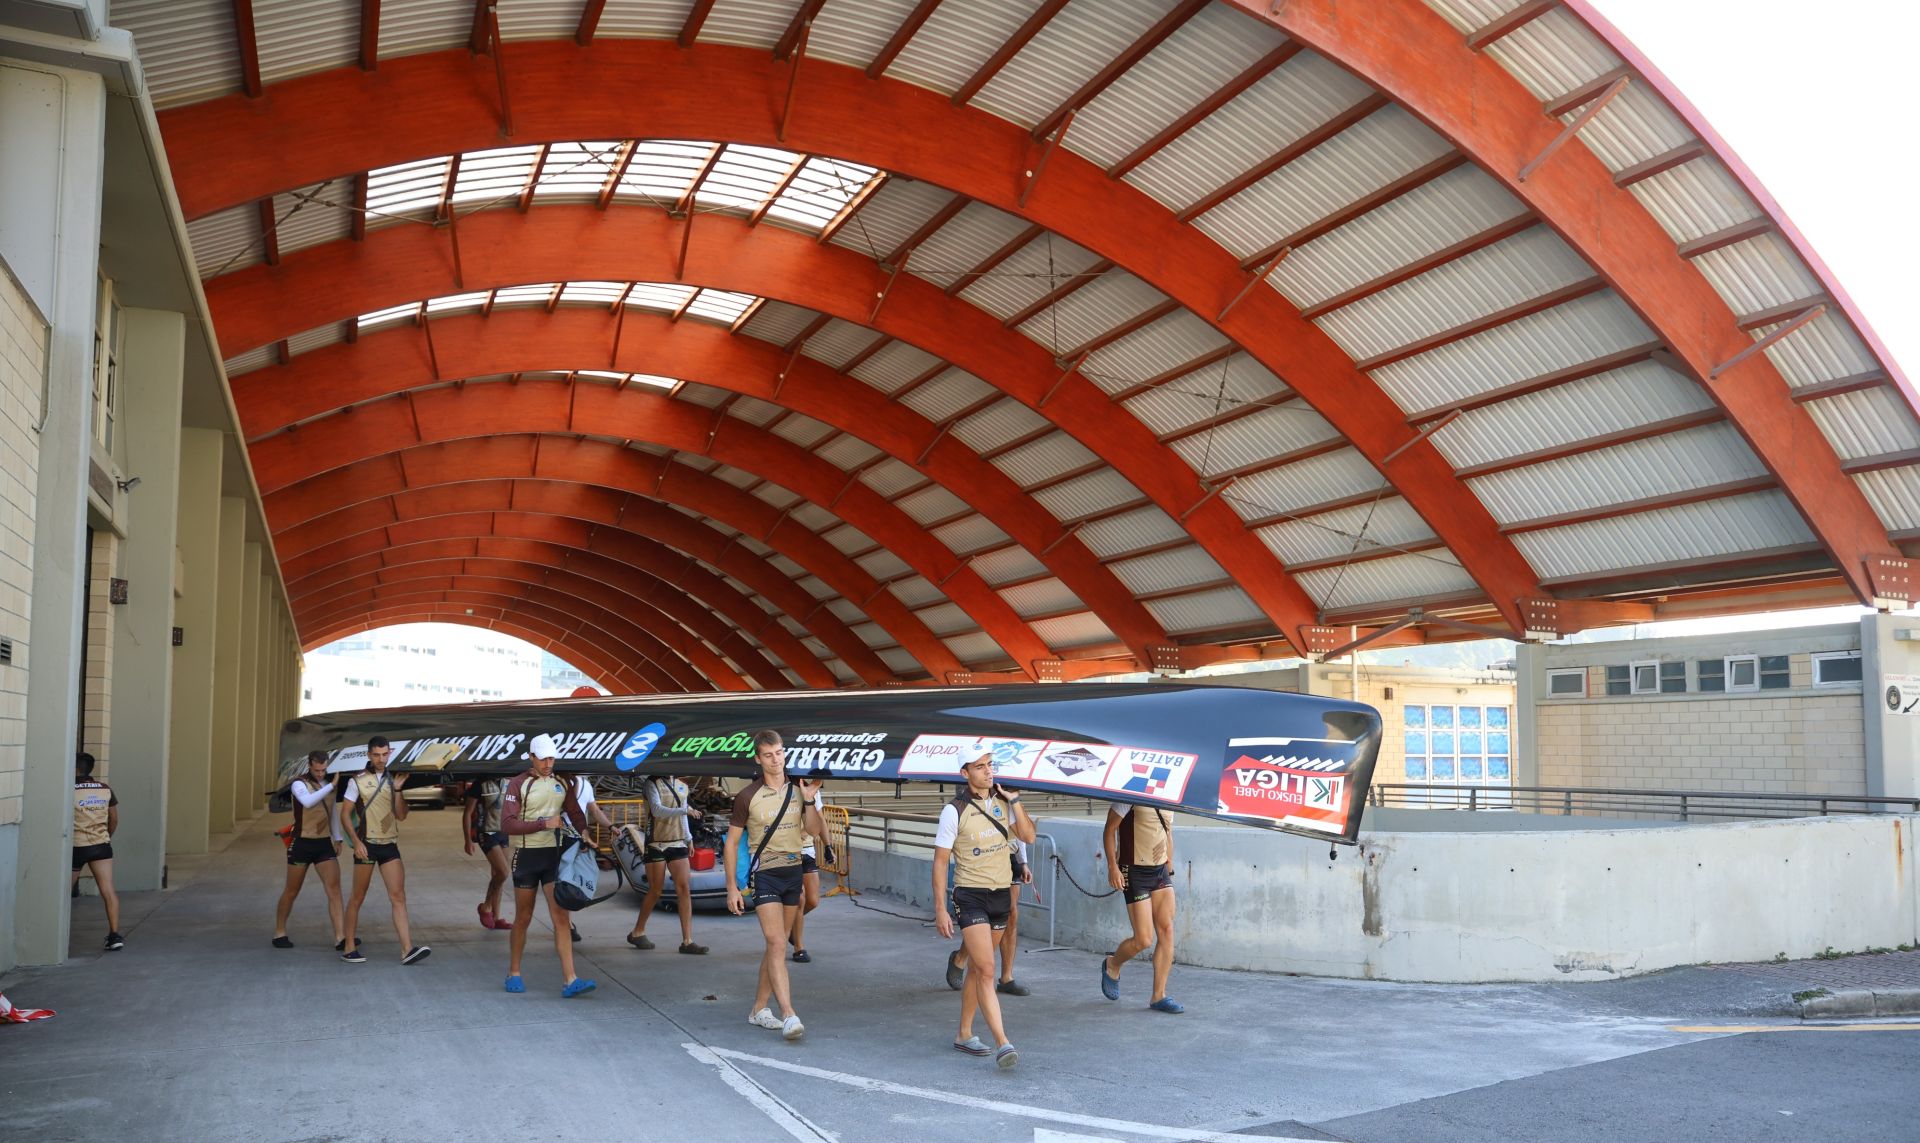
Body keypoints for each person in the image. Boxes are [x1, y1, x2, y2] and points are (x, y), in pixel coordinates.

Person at [933, 752, 1035, 1068]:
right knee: (988, 970)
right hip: (971, 896)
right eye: (980, 767)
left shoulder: (1004, 802)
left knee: (978, 970)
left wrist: (1015, 801)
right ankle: (1002, 1042)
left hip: (1001, 895)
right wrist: (940, 907)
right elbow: (939, 861)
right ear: (965, 773)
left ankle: (964, 1034)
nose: (988, 771)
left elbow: (1028, 836)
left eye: (990, 765)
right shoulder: (954, 810)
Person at [724, 731, 826, 1040]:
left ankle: (758, 1009)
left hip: (793, 872)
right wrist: (731, 887)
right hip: (765, 873)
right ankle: (789, 1014)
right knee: (778, 943)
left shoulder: (800, 789)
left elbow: (813, 831)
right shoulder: (746, 796)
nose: (776, 759)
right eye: (768, 755)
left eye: (779, 753)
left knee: (776, 945)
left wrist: (809, 801)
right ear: (758, 758)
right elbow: (731, 844)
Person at [501, 734, 595, 997]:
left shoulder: (560, 781)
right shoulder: (519, 784)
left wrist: (584, 832)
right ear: (531, 757)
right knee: (523, 917)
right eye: (542, 759)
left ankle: (570, 979)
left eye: (551, 758)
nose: (547, 763)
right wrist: (544, 823)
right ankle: (514, 972)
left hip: (553, 856)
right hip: (526, 856)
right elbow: (507, 824)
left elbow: (575, 811)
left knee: (561, 917)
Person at [338, 736, 430, 965]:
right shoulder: (356, 781)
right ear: (369, 755)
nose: (381, 759)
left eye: (385, 754)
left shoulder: (394, 779)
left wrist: (398, 790)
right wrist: (356, 843)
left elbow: (401, 815)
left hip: (389, 844)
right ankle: (349, 946)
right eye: (376, 755)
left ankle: (407, 949)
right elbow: (344, 815)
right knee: (357, 897)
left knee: (398, 896)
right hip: (367, 845)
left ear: (390, 753)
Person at [1099, 803, 1182, 1013]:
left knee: (1167, 931)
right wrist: (1112, 867)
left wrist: (1169, 865)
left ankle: (1159, 995)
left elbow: (1167, 832)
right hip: (1133, 870)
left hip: (1160, 869)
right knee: (1143, 939)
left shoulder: (1170, 798)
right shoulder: (1128, 797)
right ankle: (1113, 964)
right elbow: (1110, 829)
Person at [627, 773, 707, 955]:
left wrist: (689, 838)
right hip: (656, 842)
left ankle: (687, 941)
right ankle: (637, 931)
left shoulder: (682, 784)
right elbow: (656, 810)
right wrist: (684, 811)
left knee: (684, 887)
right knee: (656, 890)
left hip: (677, 841)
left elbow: (684, 813)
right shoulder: (652, 782)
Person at [272, 750, 346, 949]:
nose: (321, 773)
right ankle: (279, 932)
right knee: (291, 891)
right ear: (309, 766)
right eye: (317, 770)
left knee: (335, 890)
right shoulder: (299, 783)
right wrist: (331, 785)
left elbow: (331, 812)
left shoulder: (330, 784)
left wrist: (337, 838)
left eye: (324, 769)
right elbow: (308, 801)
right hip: (301, 843)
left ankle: (341, 937)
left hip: (323, 844)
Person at [947, 837, 1033, 996]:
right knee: (984, 916)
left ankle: (1006, 978)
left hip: (1011, 854)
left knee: (1011, 913)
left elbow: (1019, 830)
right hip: (986, 853)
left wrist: (1023, 862)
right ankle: (960, 958)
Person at [71, 753, 122, 952]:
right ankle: (115, 935)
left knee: (64, 894)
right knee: (108, 891)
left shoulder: (70, 789)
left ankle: (58, 935)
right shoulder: (105, 789)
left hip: (76, 846)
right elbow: (114, 818)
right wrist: (106, 835)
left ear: (75, 769)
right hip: (101, 845)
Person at [464, 776, 513, 931]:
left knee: (498, 876)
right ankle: (485, 907)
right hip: (486, 832)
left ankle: (496, 917)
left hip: (503, 832)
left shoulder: (508, 781)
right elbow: (467, 813)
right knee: (503, 873)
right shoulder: (481, 783)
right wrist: (468, 840)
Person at [788, 787, 829, 963]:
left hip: (808, 850)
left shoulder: (813, 791)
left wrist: (828, 846)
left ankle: (790, 928)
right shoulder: (784, 789)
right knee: (800, 900)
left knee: (812, 901)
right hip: (788, 851)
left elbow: (820, 818)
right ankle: (799, 947)